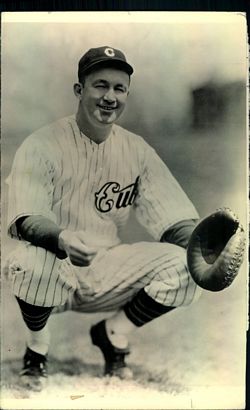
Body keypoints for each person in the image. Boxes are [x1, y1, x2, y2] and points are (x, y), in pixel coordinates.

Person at [5, 45, 202, 390]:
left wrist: (205, 249)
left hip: (108, 267)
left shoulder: (137, 150)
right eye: (100, 85)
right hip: (55, 268)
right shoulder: (42, 144)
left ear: (126, 94)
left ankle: (113, 335)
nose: (110, 96)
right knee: (27, 261)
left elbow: (175, 219)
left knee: (188, 263)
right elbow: (27, 218)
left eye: (119, 88)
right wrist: (61, 238)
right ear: (79, 91)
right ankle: (37, 349)